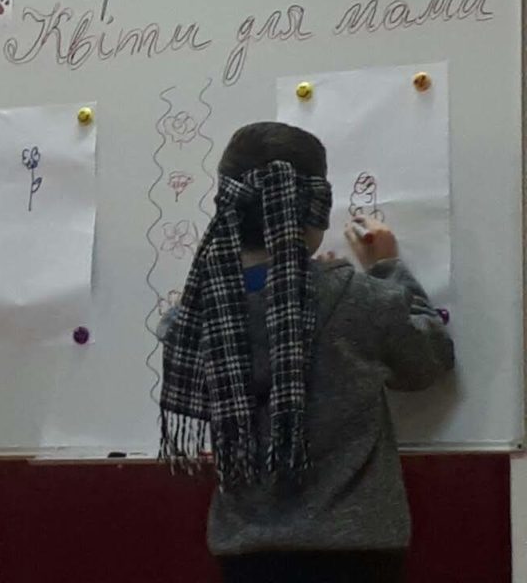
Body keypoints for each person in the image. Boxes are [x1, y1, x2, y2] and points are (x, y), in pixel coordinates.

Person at [158, 122, 454, 583]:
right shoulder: (356, 297)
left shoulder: (196, 314)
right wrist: (387, 267)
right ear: (315, 206)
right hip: (357, 548)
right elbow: (428, 361)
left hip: (246, 552)